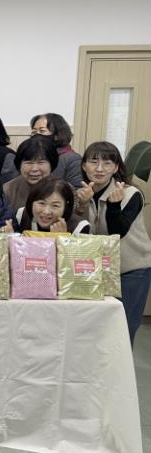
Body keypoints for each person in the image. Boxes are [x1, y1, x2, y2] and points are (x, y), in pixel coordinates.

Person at [76, 141, 151, 345]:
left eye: (107, 163)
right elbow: (77, 232)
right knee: (96, 329)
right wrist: (82, 205)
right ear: (84, 166)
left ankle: (123, 367)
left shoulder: (130, 193)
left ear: (116, 167)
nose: (99, 168)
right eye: (93, 162)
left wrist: (114, 206)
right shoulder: (81, 193)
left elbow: (118, 232)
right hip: (96, 270)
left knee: (124, 327)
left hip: (132, 269)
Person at [3, 135, 58, 212]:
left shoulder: (64, 189)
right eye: (29, 163)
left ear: (51, 165)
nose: (34, 169)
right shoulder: (8, 189)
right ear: (19, 165)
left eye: (41, 162)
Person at [17, 177, 89, 233]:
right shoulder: (21, 216)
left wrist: (62, 239)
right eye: (42, 203)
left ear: (66, 208)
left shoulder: (79, 227)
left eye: (55, 205)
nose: (46, 211)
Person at [31, 113, 83, 189]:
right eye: (34, 132)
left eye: (42, 131)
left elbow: (78, 189)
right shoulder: (31, 156)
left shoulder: (72, 159)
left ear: (57, 136)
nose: (36, 135)